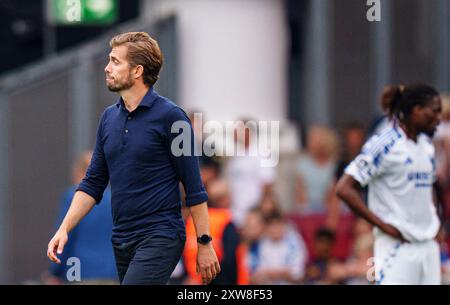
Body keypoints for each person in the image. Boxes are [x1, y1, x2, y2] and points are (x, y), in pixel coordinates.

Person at [47, 32, 220, 285]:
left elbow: (194, 187)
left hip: (160, 236)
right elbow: (92, 183)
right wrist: (64, 228)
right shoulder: (108, 118)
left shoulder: (173, 118)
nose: (107, 68)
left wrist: (204, 243)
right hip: (121, 240)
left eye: (115, 61)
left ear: (137, 71)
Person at [336, 83, 443, 285]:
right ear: (416, 110)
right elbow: (344, 188)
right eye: (434, 112)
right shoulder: (385, 143)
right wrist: (382, 225)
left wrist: (434, 221)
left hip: (428, 247)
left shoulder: (425, 146)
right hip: (397, 248)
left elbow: (429, 186)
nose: (438, 118)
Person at [45, 151, 117, 285]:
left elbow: (65, 237)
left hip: (78, 270)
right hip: (111, 272)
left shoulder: (72, 197)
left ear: (79, 172)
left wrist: (55, 272)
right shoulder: (114, 198)